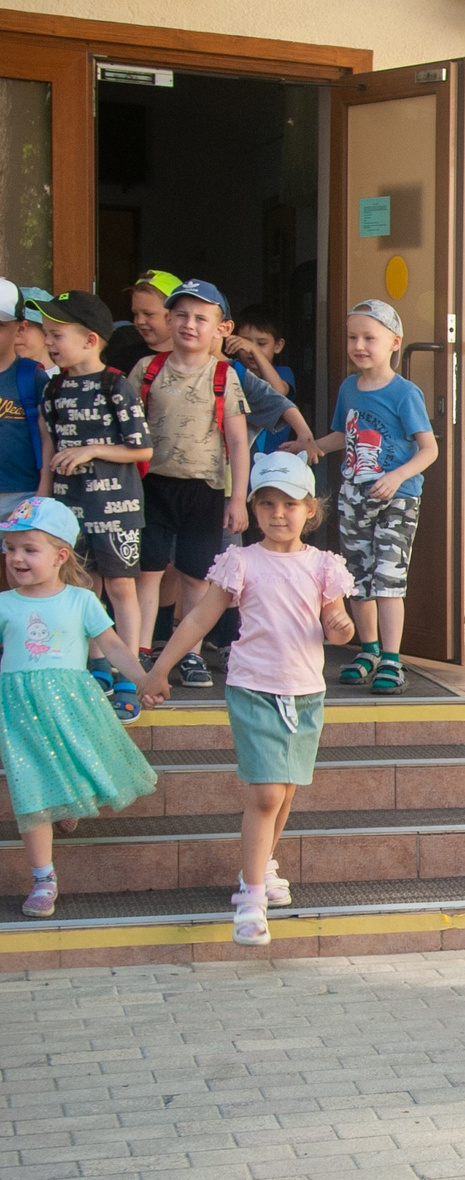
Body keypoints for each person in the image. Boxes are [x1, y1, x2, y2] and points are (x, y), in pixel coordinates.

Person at [137, 454, 355, 944]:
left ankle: (262, 864)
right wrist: (158, 669)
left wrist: (340, 627)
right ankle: (251, 895)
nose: (279, 513)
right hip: (253, 687)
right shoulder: (240, 561)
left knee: (286, 790)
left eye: (290, 504)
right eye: (268, 503)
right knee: (266, 792)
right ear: (254, 509)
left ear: (310, 510)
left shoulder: (324, 565)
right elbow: (196, 620)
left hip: (305, 693)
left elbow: (338, 626)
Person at [0, 498, 157, 918]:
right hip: (17, 708)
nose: (16, 558)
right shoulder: (5, 603)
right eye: (10, 548)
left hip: (70, 703)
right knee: (29, 789)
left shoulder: (80, 600)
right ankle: (43, 878)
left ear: (60, 555)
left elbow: (110, 646)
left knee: (74, 762)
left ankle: (65, 803)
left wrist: (141, 679)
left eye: (29, 549)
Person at [307, 300, 435, 696]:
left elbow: (429, 449)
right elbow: (343, 435)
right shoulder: (349, 387)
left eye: (369, 337)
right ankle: (369, 650)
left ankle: (393, 660)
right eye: (352, 337)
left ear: (394, 342)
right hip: (354, 496)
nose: (359, 345)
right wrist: (311, 446)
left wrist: (396, 477)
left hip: (397, 499)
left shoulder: (404, 393)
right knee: (357, 579)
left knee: (388, 580)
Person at [34, 290, 151, 717]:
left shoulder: (116, 385)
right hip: (68, 507)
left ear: (89, 339)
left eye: (56, 334)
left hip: (116, 508)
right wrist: (43, 501)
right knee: (82, 588)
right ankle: (97, 665)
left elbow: (141, 449)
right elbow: (50, 445)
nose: (49, 342)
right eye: (46, 335)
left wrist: (92, 449)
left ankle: (128, 676)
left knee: (121, 586)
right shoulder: (53, 387)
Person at [135, 279, 249, 690]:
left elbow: (237, 441)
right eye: (181, 315)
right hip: (152, 484)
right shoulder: (147, 369)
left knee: (195, 574)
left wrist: (238, 497)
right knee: (148, 569)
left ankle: (191, 653)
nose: (189, 324)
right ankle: (142, 648)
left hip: (204, 489)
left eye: (201, 317)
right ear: (168, 319)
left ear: (222, 328)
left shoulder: (224, 375)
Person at [0, 282, 48, 514]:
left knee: (18, 551)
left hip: (22, 495)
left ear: (20, 328)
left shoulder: (32, 377)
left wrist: (44, 493)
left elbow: (48, 438)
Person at [226, 306, 297, 459]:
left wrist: (254, 350)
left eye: (261, 343)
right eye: (245, 342)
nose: (251, 349)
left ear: (277, 346)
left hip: (274, 460)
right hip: (237, 456)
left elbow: (277, 394)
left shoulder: (283, 372)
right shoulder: (230, 371)